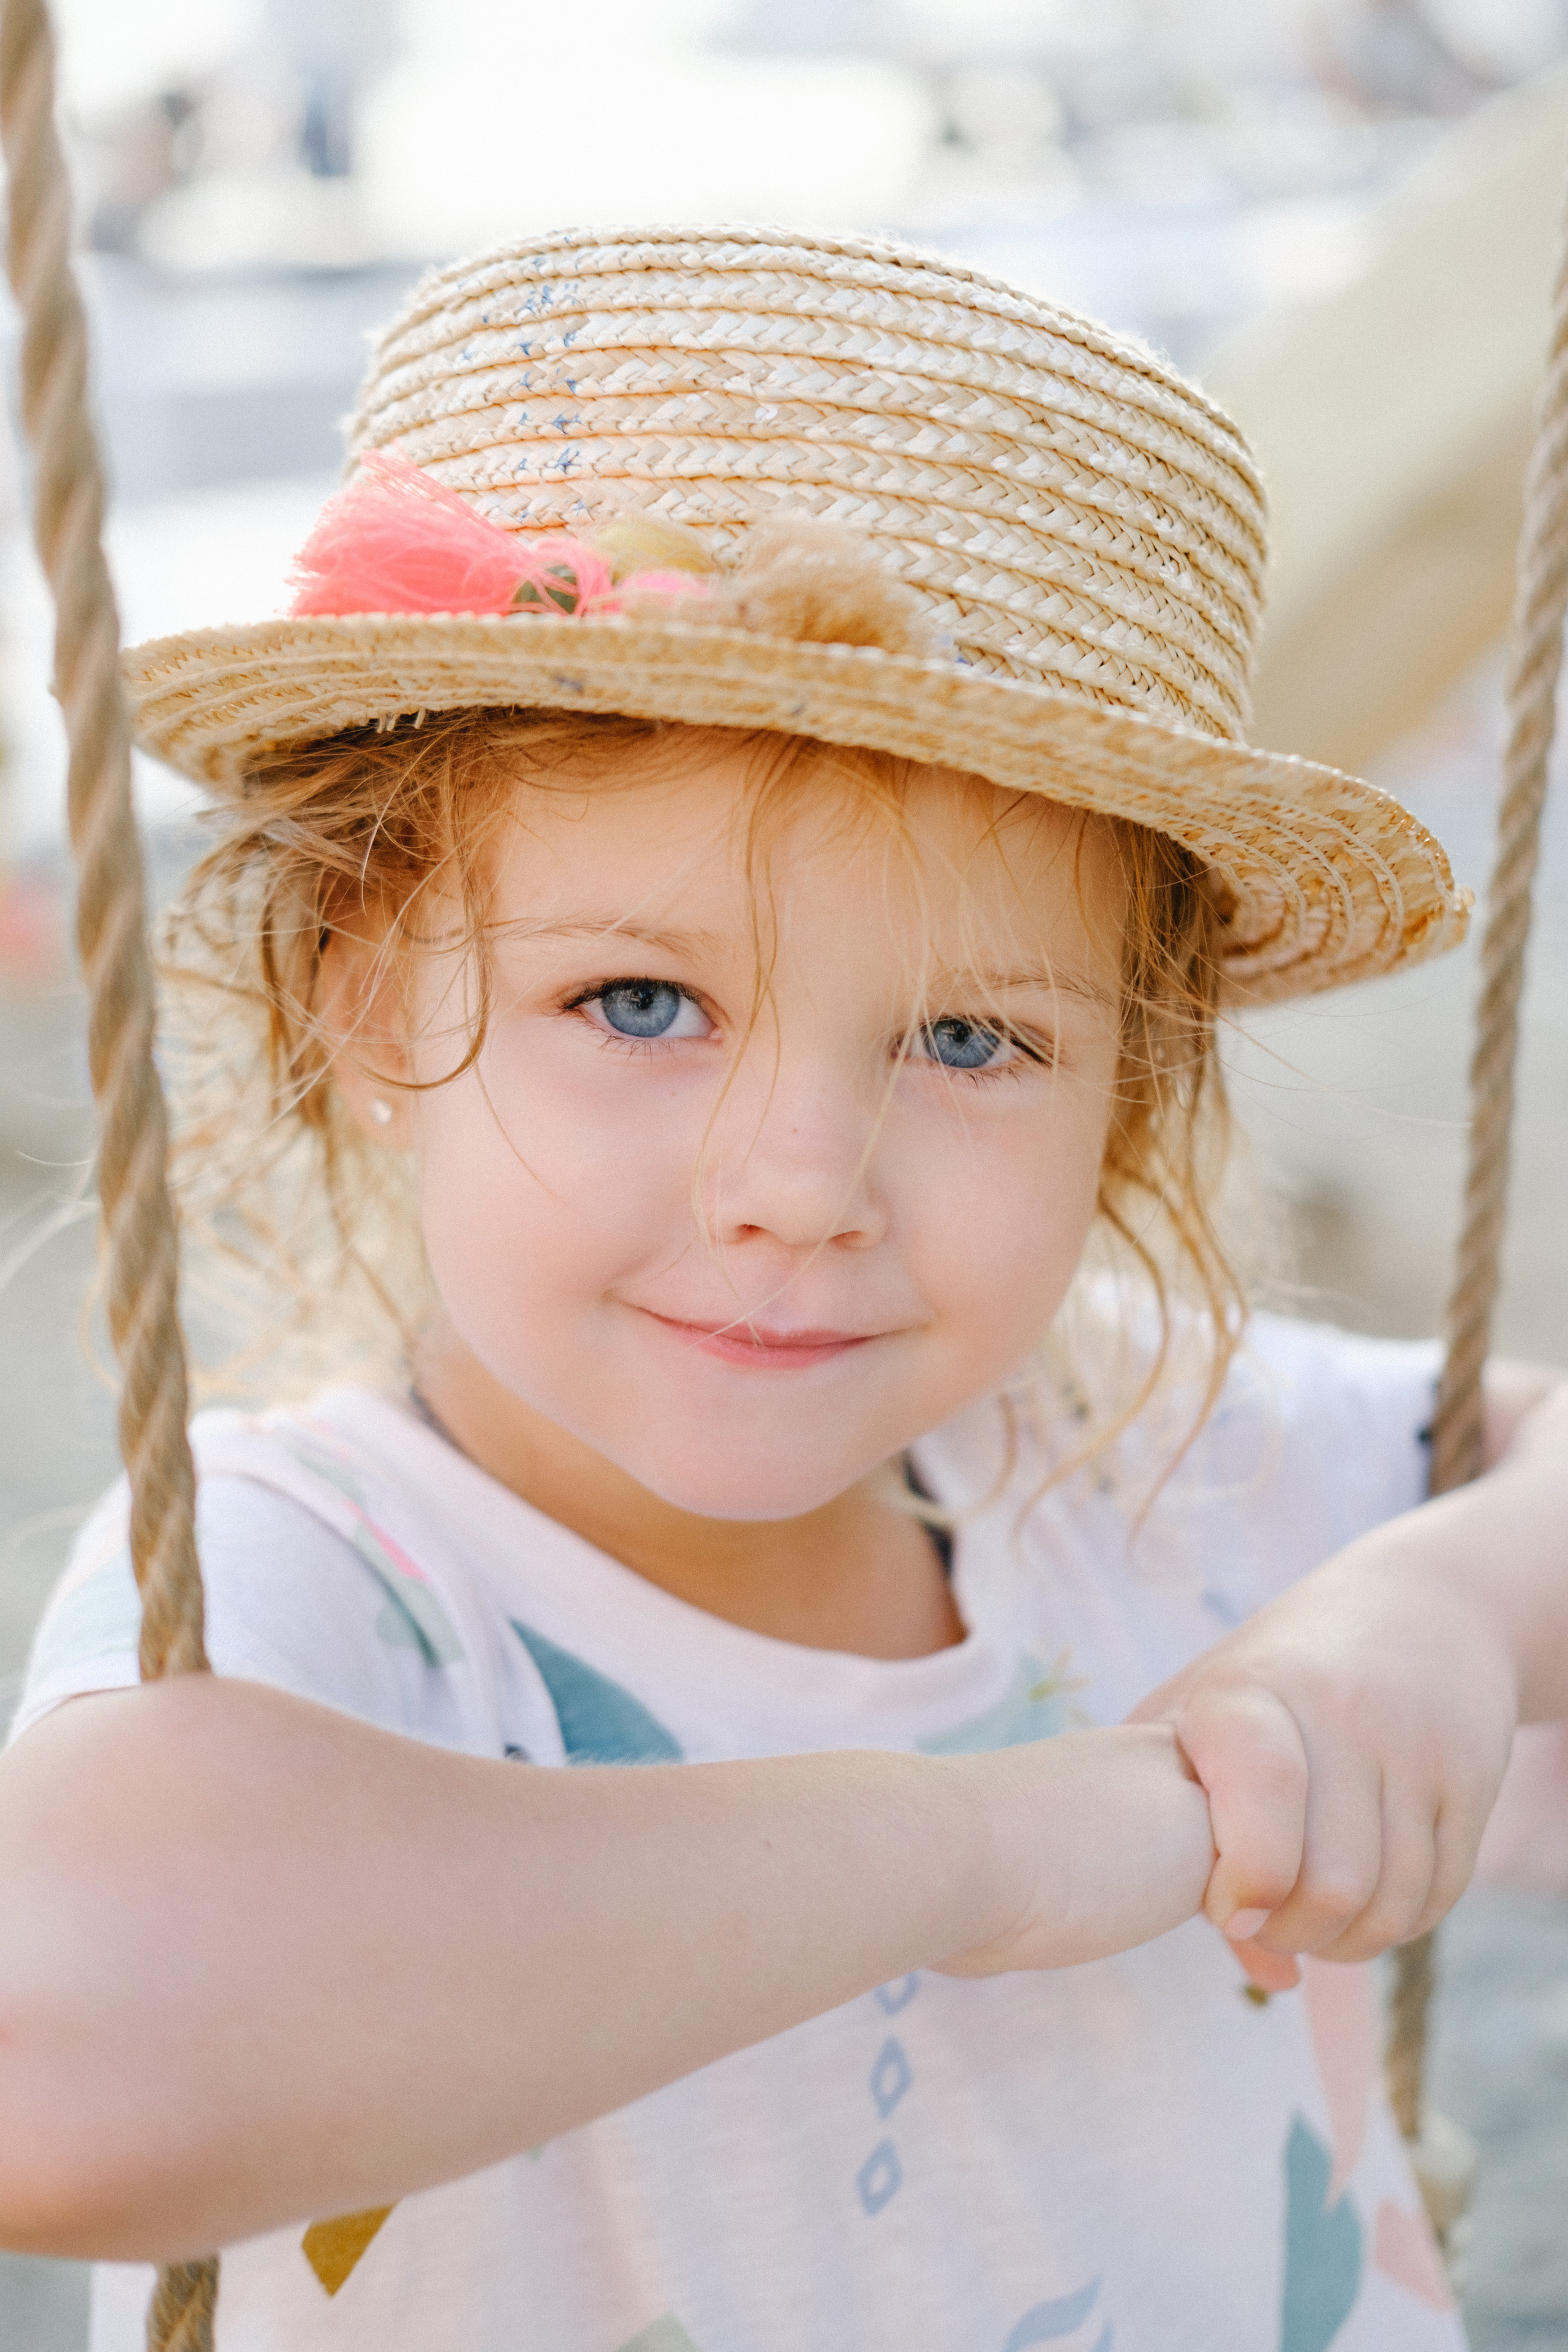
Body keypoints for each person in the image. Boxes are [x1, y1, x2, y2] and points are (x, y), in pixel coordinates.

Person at [0, 226, 1562, 2352]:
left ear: (1125, 1097)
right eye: (640, 999)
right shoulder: (326, 1583)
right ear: (369, 1004)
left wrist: (1440, 1610)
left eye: (970, 1042)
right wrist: (990, 1850)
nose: (804, 1185)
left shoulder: (1137, 1452)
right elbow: (69, 2052)